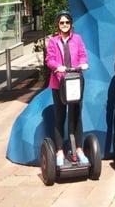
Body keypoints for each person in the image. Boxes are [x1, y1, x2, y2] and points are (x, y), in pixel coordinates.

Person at [45, 10, 90, 166]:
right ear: (58, 24)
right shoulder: (53, 41)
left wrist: (83, 63)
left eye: (67, 22)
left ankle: (79, 149)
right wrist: (58, 66)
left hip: (75, 81)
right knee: (60, 116)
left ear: (71, 24)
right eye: (61, 22)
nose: (64, 25)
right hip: (59, 83)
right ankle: (59, 151)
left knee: (76, 116)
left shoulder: (77, 39)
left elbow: (83, 55)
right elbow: (49, 59)